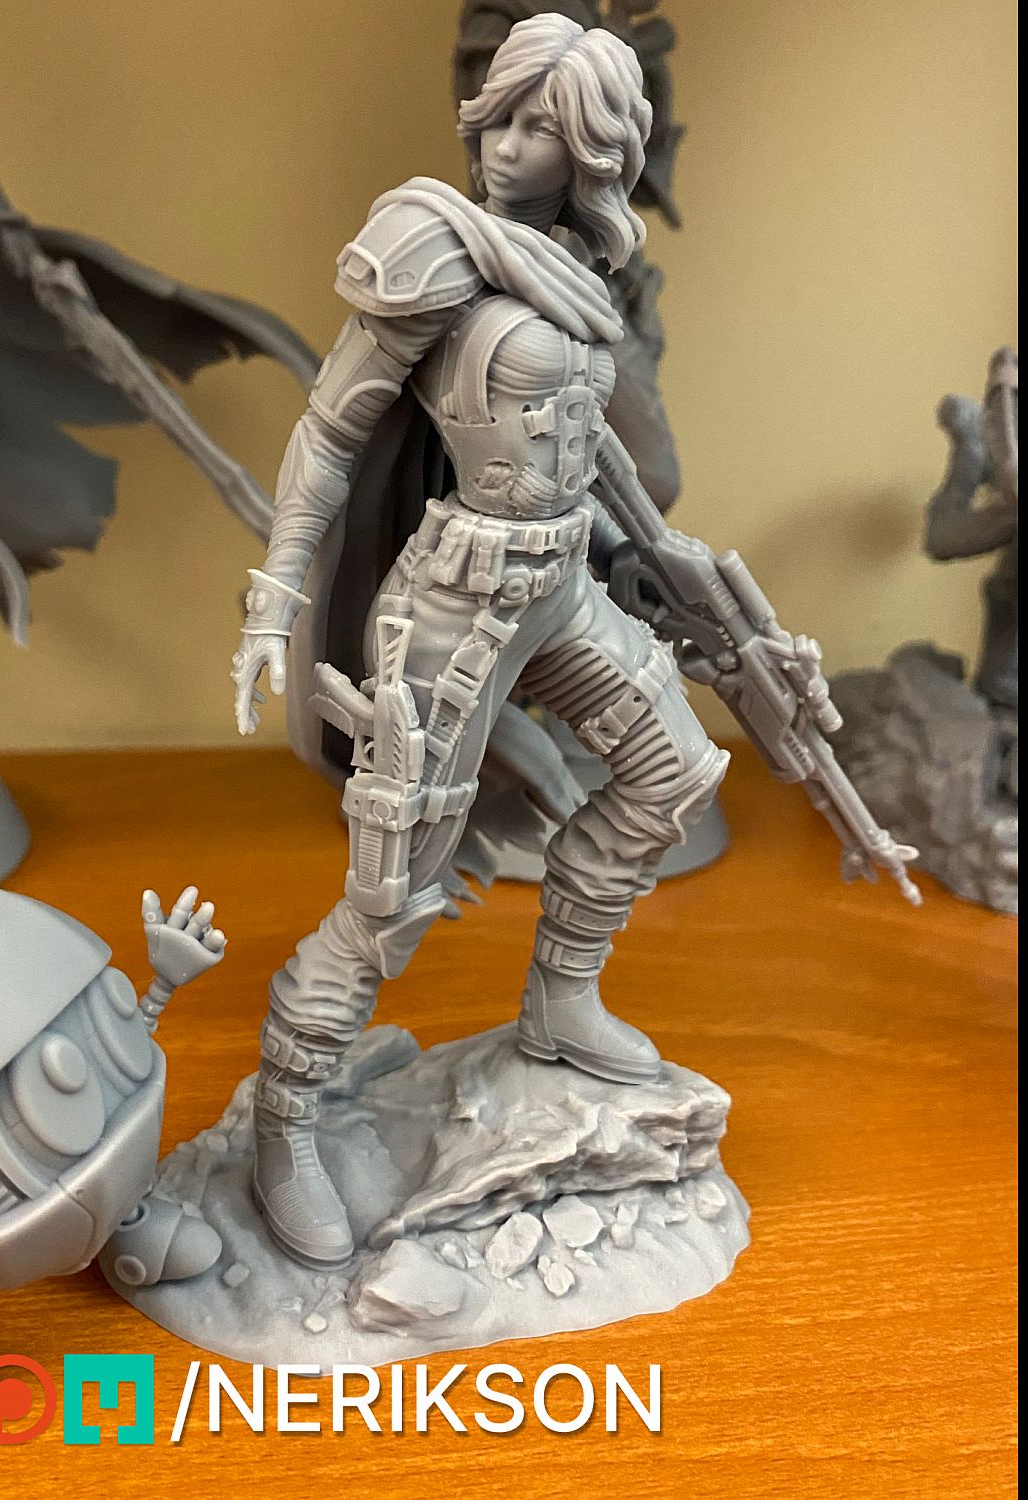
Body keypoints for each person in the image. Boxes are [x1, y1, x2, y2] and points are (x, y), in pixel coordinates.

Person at [231, 15, 727, 1270]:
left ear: (593, 153)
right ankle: (285, 1118)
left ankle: (561, 999)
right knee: (390, 892)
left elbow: (591, 455)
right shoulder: (433, 250)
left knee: (671, 773)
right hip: (455, 601)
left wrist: (665, 560)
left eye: (540, 128)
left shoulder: (579, 271)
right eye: (500, 116)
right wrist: (274, 597)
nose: (506, 146)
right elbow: (330, 435)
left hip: (561, 588)